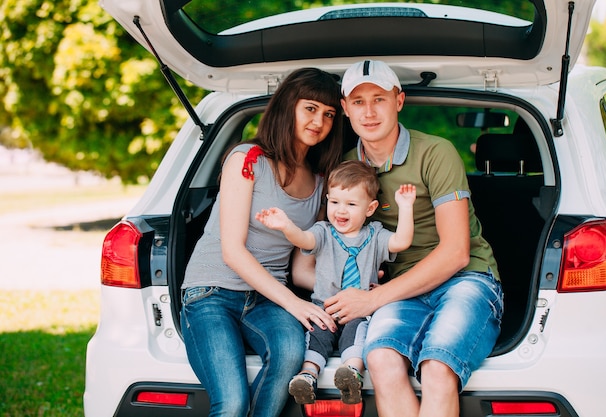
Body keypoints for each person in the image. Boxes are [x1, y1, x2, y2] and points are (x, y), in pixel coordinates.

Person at [322, 60, 504, 417]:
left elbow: (456, 253)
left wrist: (368, 301)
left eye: (379, 99)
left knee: (437, 366)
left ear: (399, 101)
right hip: (403, 289)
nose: (369, 112)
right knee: (381, 360)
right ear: (345, 108)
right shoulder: (344, 169)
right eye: (358, 102)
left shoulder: (436, 152)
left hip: (466, 281)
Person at [179, 67, 345, 417]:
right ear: (288, 106)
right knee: (233, 403)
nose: (319, 120)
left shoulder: (319, 184)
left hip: (265, 300)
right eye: (310, 108)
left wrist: (352, 290)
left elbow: (300, 271)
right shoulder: (247, 159)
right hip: (211, 292)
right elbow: (232, 252)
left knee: (287, 354)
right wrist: (296, 306)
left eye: (329, 114)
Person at [256, 160, 416, 405]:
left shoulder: (375, 235)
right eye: (335, 202)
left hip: (358, 310)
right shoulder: (323, 232)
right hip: (324, 307)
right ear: (328, 200)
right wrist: (286, 226)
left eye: (351, 204)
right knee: (316, 336)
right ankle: (307, 376)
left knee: (357, 334)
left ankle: (351, 374)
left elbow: (402, 241)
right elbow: (304, 239)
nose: (341, 211)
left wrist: (406, 208)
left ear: (370, 208)